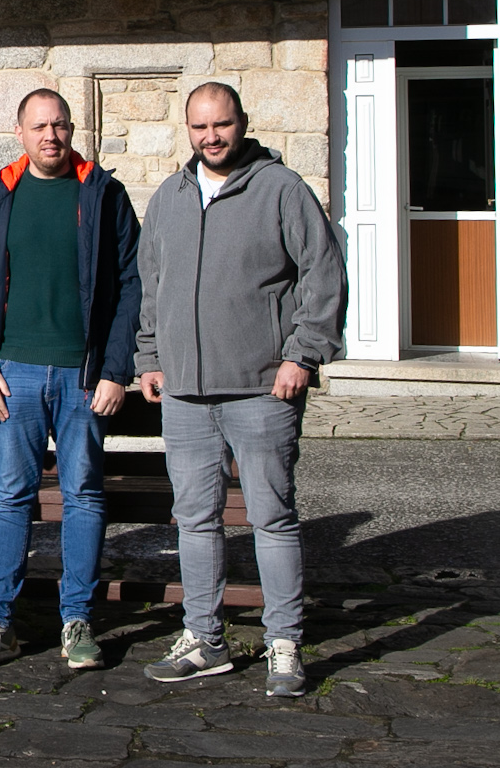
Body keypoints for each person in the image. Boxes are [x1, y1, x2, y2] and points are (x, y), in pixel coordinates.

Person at [134, 82, 345, 697]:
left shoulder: (282, 189)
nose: (211, 137)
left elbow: (324, 275)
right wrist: (150, 357)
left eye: (221, 124)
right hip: (185, 394)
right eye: (200, 127)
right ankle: (204, 639)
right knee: (195, 520)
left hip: (261, 390)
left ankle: (284, 644)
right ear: (187, 129)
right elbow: (151, 285)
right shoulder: (169, 197)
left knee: (272, 519)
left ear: (242, 123)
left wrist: (302, 355)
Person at [0, 88, 144, 672]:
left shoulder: (103, 194)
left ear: (72, 129)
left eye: (59, 125)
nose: (50, 136)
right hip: (13, 375)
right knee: (11, 495)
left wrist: (115, 369)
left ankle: (77, 620)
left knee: (83, 494)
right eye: (39, 127)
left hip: (84, 377)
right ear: (20, 133)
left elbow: (131, 284)